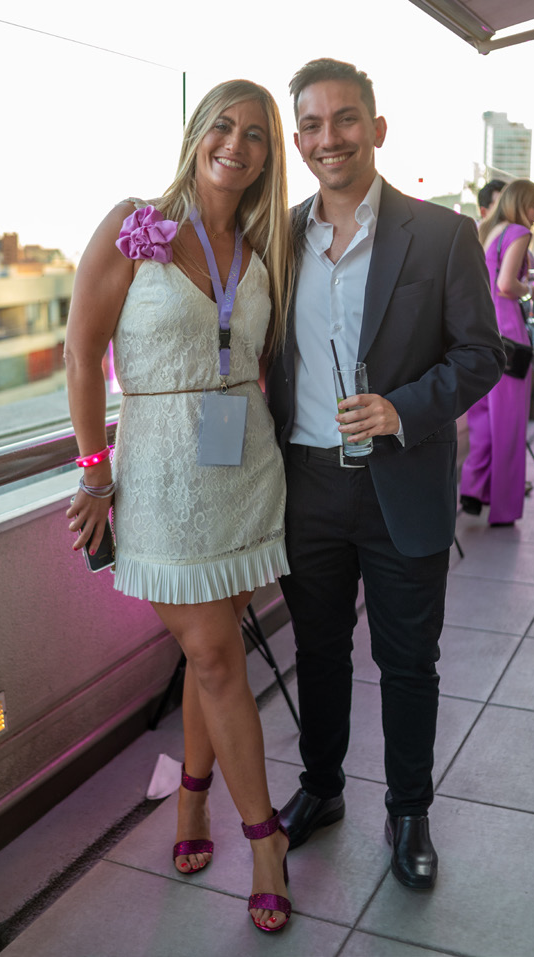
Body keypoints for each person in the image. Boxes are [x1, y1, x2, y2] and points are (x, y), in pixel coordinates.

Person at [266, 58, 504, 890]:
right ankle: (321, 786)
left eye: (344, 119)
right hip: (306, 484)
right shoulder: (277, 238)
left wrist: (400, 408)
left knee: (407, 661)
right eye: (312, 124)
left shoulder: (440, 234)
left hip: (401, 481)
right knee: (318, 652)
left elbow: (481, 353)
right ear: (298, 140)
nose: (328, 137)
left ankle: (408, 811)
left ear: (376, 128)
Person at [64, 79, 294, 932]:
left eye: (255, 134)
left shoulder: (260, 246)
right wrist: (95, 473)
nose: (236, 143)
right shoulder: (134, 224)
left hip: (244, 473)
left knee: (211, 655)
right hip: (159, 480)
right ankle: (265, 838)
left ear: (267, 156)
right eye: (222, 126)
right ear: (196, 134)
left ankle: (192, 795)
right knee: (216, 656)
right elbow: (81, 354)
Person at [460, 178, 534, 526]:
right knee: (509, 425)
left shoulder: (487, 231)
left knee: (482, 418)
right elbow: (507, 284)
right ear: (521, 204)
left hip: (480, 332)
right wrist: (532, 291)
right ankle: (504, 508)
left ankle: (473, 488)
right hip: (510, 336)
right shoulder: (519, 233)